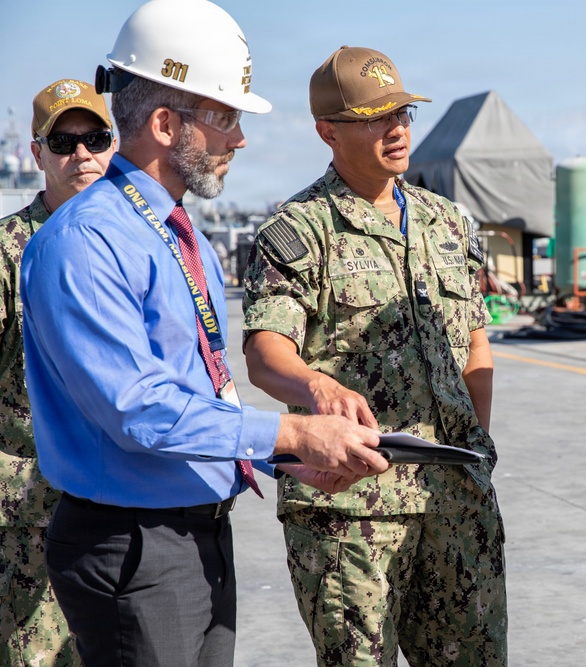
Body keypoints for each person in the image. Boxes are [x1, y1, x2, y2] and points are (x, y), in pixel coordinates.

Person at [19, 3, 389, 666]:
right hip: (133, 545)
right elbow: (138, 408)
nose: (238, 140)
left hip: (194, 534)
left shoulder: (175, 235)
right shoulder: (84, 242)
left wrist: (282, 459)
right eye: (225, 118)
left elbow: (196, 394)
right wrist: (293, 430)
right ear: (165, 124)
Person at [241, 45, 507, 666]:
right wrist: (313, 386)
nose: (398, 129)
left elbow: (472, 339)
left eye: (405, 114)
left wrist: (477, 447)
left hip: (454, 497)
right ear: (327, 131)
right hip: (353, 511)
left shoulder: (449, 223)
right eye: (376, 118)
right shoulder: (300, 229)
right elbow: (264, 351)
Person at [0, 77, 115, 667]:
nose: (82, 156)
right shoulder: (9, 251)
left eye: (95, 138)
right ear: (37, 151)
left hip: (122, 508)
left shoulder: (136, 240)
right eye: (64, 143)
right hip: (31, 520)